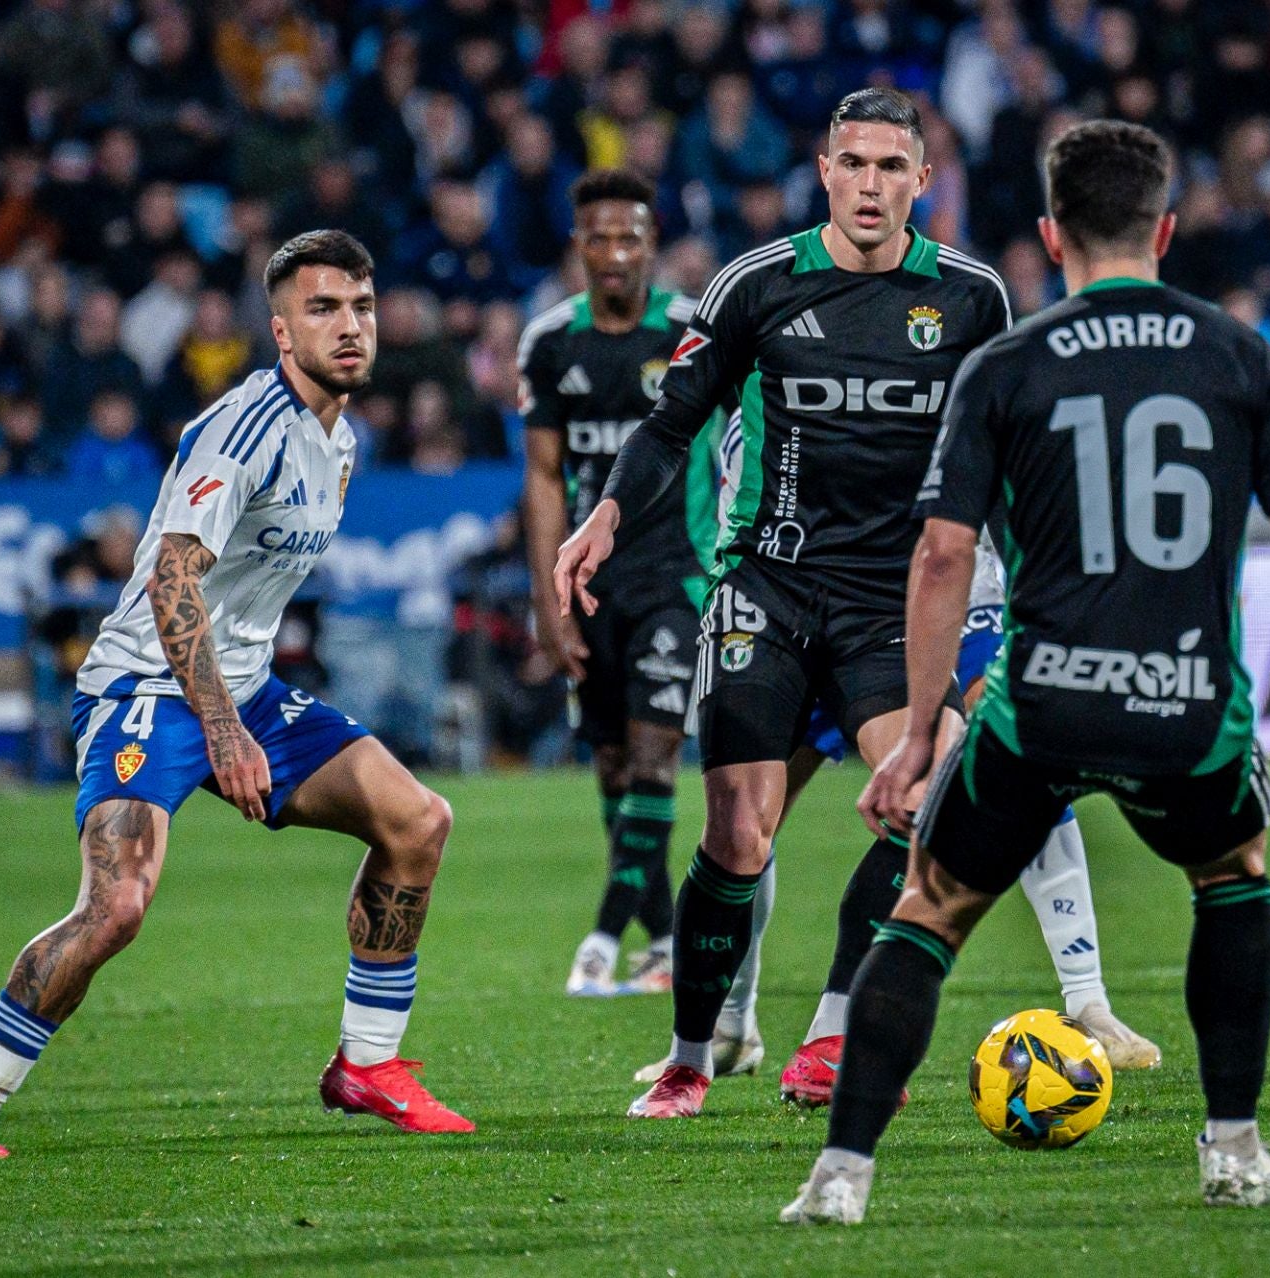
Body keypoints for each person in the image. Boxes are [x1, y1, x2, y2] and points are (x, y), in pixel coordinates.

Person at [780, 120, 1270, 1224]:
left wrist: (927, 724)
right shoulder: (1237, 354)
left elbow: (944, 554)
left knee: (928, 910)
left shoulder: (1008, 362)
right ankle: (1233, 1150)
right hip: (1185, 702)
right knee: (1234, 878)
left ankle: (839, 1179)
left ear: (1050, 234)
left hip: (1041, 701)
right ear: (1166, 230)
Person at [0, 231, 474, 1159]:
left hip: (242, 686)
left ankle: (368, 1065)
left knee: (418, 823)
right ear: (281, 331)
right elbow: (175, 575)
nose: (349, 327)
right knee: (118, 906)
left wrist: (238, 710)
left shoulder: (342, 442)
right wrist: (221, 730)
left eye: (363, 308)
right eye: (323, 309)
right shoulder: (240, 428)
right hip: (147, 684)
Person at [554, 88, 1013, 1120]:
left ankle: (834, 1034)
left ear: (923, 181)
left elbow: (1008, 457)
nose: (870, 184)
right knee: (737, 836)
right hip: (765, 582)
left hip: (894, 603)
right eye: (853, 163)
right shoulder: (755, 285)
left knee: (920, 802)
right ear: (824, 169)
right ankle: (688, 1056)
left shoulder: (974, 299)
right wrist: (604, 521)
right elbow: (669, 428)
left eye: (892, 167)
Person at [633, 419, 1163, 1097]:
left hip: (940, 598)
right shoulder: (749, 392)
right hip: (795, 611)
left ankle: (1085, 998)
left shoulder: (928, 348)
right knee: (746, 828)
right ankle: (732, 1025)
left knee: (1010, 759)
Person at [519, 170, 718, 998]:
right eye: (598, 237)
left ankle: (602, 940)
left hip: (677, 573)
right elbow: (541, 478)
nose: (614, 254)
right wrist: (546, 601)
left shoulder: (690, 333)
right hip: (589, 585)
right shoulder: (549, 342)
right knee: (610, 768)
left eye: (630, 237)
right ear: (579, 246)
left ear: (653, 245)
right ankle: (667, 942)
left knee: (653, 756)